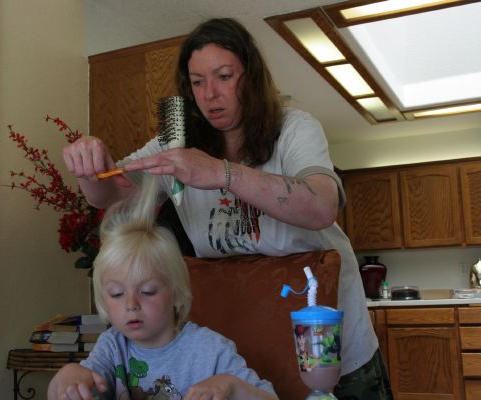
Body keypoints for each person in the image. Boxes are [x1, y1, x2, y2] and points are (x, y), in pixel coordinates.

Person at [62, 17, 392, 399]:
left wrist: (220, 173)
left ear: (250, 77)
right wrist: (88, 167)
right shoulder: (175, 144)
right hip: (242, 333)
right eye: (197, 82)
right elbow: (109, 195)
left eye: (223, 76)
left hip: (322, 336)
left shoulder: (295, 128)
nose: (210, 94)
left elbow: (322, 206)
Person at [47, 176, 278, 400]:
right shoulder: (111, 346)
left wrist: (232, 387)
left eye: (147, 291)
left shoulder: (210, 349)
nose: (131, 305)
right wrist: (66, 377)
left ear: (176, 293)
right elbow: (60, 391)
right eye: (117, 294)